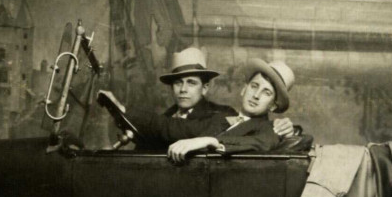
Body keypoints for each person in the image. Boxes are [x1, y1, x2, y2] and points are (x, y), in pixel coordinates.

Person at [100, 58, 295, 162]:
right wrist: (123, 110)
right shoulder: (221, 119)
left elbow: (258, 143)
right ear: (244, 88)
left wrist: (210, 141)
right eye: (254, 86)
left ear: (273, 105)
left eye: (266, 92)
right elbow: (171, 127)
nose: (256, 95)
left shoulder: (270, 130)